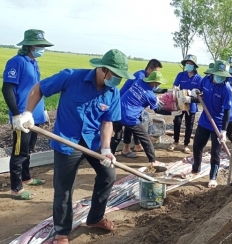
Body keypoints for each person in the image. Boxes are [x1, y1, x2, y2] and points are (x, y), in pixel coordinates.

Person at [14, 49, 134, 244]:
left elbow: (107, 122)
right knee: (64, 189)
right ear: (104, 69)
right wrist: (27, 112)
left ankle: (95, 217)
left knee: (108, 175)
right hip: (66, 142)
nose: (118, 80)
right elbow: (39, 88)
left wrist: (106, 149)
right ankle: (61, 232)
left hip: (93, 143)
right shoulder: (71, 77)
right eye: (116, 75)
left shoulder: (112, 92)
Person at [1, 29, 53, 200]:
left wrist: (42, 110)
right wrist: (16, 115)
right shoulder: (17, 62)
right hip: (22, 118)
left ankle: (26, 177)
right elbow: (7, 88)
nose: (42, 49)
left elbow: (35, 89)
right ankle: (16, 188)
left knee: (28, 150)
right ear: (30, 46)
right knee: (19, 152)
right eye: (40, 45)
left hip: (33, 116)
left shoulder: (33, 63)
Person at [111, 71, 181, 165]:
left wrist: (163, 93)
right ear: (155, 82)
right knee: (145, 138)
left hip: (118, 111)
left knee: (117, 136)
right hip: (130, 117)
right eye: (158, 83)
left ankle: (107, 156)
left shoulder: (139, 82)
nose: (158, 85)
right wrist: (172, 113)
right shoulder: (150, 95)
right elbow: (157, 110)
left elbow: (147, 92)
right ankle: (153, 161)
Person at [186, 60, 232, 188]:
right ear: (213, 73)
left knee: (215, 152)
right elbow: (199, 92)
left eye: (223, 76)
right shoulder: (206, 80)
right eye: (219, 75)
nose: (220, 78)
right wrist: (195, 91)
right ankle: (196, 168)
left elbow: (227, 111)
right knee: (197, 146)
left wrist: (223, 130)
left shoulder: (227, 89)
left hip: (218, 124)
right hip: (204, 120)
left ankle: (213, 177)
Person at [120, 59, 163, 155]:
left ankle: (137, 145)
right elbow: (144, 91)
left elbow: (152, 88)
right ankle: (126, 148)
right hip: (125, 103)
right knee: (130, 124)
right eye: (155, 71)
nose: (157, 74)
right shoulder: (140, 76)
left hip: (132, 104)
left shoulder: (146, 78)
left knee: (137, 120)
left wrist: (166, 91)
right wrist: (154, 99)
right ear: (149, 69)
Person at [168, 54, 202, 154]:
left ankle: (186, 144)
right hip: (180, 103)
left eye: (190, 64)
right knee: (177, 122)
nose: (188, 65)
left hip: (191, 105)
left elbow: (200, 92)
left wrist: (193, 95)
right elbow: (175, 85)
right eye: (187, 63)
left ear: (194, 66)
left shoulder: (199, 78)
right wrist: (175, 88)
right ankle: (175, 141)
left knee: (189, 125)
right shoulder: (180, 75)